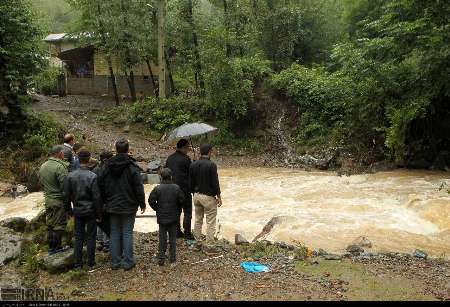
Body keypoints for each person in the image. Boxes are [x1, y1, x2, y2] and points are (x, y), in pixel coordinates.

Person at [98, 138, 146, 270]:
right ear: (128, 149)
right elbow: (138, 187)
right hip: (129, 205)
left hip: (112, 204)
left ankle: (115, 262)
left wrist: (102, 203)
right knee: (127, 232)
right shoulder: (132, 167)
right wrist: (142, 203)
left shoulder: (106, 166)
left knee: (114, 232)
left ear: (115, 149)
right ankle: (128, 261)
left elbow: (100, 185)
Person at [64, 150, 102, 269]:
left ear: (78, 159)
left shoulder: (70, 176)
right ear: (89, 159)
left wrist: (69, 211)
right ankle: (91, 263)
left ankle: (78, 264)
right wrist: (99, 213)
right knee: (91, 237)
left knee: (78, 237)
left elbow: (66, 196)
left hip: (78, 210)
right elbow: (96, 197)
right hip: (90, 211)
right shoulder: (93, 176)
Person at [189, 144, 222, 253]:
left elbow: (191, 182)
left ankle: (197, 244)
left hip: (196, 195)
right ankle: (210, 246)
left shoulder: (193, 165)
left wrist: (194, 193)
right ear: (209, 152)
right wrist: (219, 196)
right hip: (208, 197)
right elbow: (215, 182)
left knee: (198, 220)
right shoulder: (211, 165)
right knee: (210, 222)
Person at [149, 168, 185, 266]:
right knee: (173, 239)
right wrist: (178, 210)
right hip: (174, 218)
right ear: (171, 177)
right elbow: (182, 200)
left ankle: (161, 258)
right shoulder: (176, 188)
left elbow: (151, 200)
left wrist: (157, 209)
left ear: (161, 177)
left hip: (162, 217)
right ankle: (172, 259)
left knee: (162, 238)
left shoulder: (157, 188)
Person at [38, 145, 70, 255]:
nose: (63, 154)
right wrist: (68, 204)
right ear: (59, 153)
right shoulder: (60, 167)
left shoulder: (43, 166)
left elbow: (41, 183)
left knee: (50, 224)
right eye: (62, 152)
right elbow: (65, 187)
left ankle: (51, 247)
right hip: (58, 200)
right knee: (60, 224)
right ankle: (57, 248)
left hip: (48, 199)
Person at [164, 139, 194, 240]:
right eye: (188, 147)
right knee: (187, 212)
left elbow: (165, 173)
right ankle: (187, 234)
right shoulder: (186, 159)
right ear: (184, 147)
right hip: (184, 190)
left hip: (172, 189)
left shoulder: (169, 158)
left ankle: (177, 232)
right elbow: (191, 174)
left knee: (176, 211)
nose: (189, 149)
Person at [93, 150, 114, 252]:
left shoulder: (95, 170)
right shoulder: (108, 170)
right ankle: (107, 244)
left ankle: (100, 242)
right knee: (107, 222)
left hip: (97, 200)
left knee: (99, 221)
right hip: (106, 200)